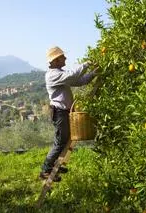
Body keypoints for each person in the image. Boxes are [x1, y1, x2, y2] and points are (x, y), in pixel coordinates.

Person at [39, 46, 98, 181]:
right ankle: (46, 170)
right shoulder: (53, 75)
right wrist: (86, 64)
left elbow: (79, 81)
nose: (65, 58)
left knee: (65, 139)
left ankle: (56, 165)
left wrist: (93, 74)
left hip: (64, 112)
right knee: (60, 141)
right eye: (62, 57)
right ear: (55, 60)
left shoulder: (60, 74)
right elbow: (73, 75)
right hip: (59, 112)